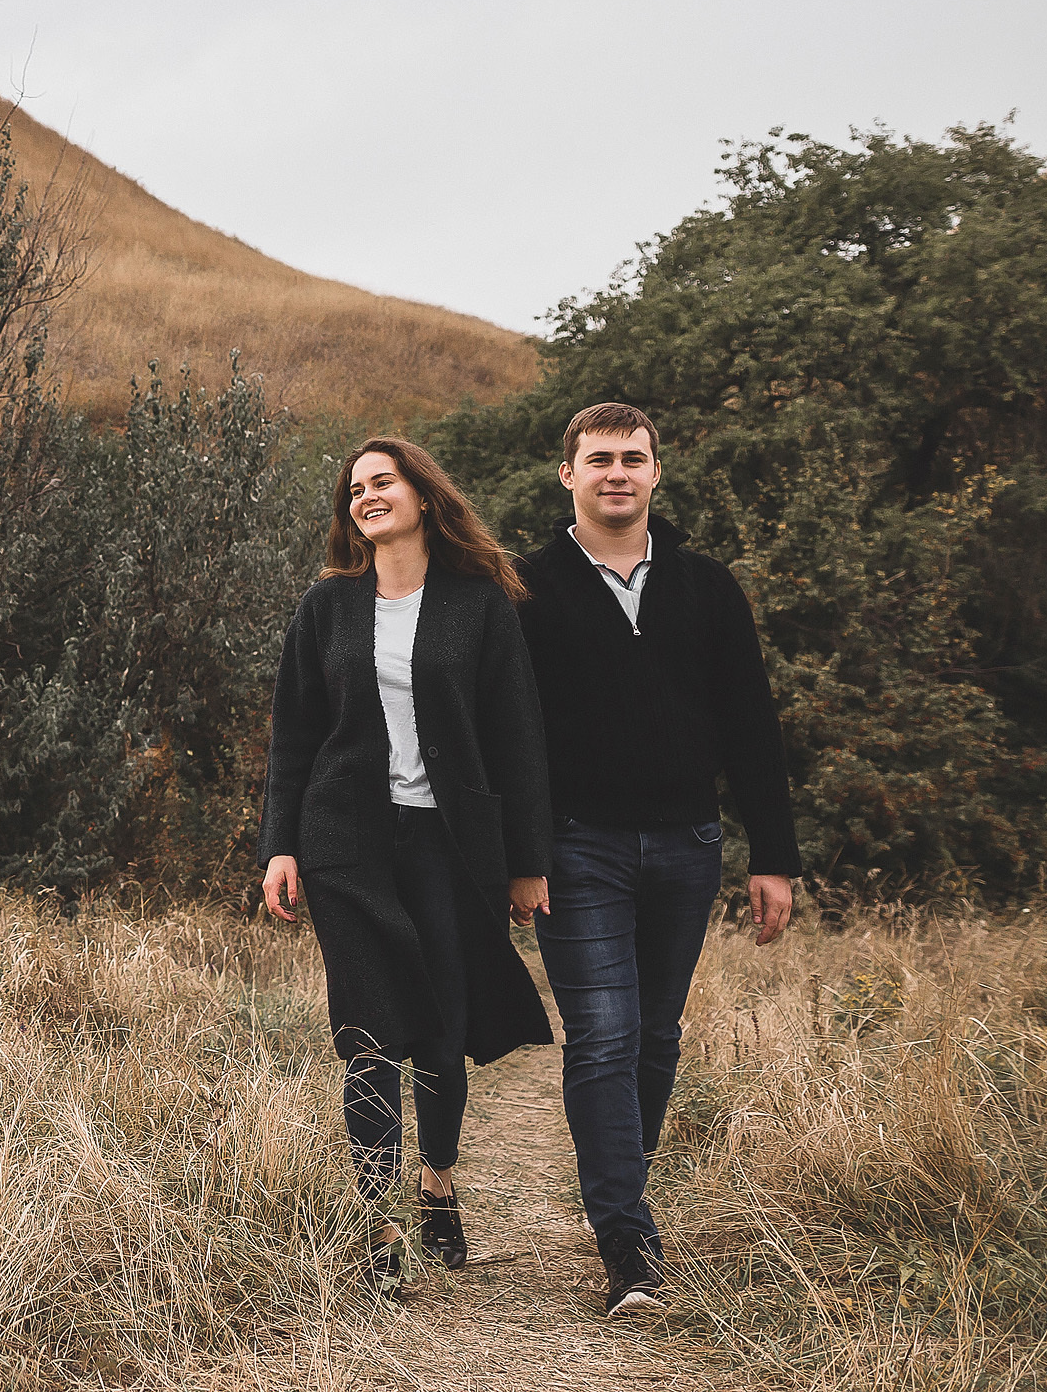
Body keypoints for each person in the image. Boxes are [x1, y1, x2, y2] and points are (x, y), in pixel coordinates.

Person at [516, 402, 800, 1318]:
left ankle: (613, 1187)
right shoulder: (526, 587)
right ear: (568, 474)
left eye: (632, 459)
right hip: (577, 844)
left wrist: (775, 856)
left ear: (656, 472)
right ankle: (628, 1245)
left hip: (689, 844)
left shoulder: (708, 586)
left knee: (655, 1035)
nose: (616, 474)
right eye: (598, 459)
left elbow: (753, 726)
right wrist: (518, 856)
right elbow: (508, 735)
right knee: (602, 1034)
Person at [259, 437, 555, 1297]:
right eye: (355, 488)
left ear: (423, 496)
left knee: (442, 1026)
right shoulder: (328, 606)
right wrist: (281, 843)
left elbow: (518, 735)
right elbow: (294, 732)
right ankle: (379, 1221)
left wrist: (526, 862)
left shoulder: (480, 604)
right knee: (368, 1030)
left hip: (449, 843)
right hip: (346, 843)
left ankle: (438, 1183)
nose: (365, 497)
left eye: (382, 482)